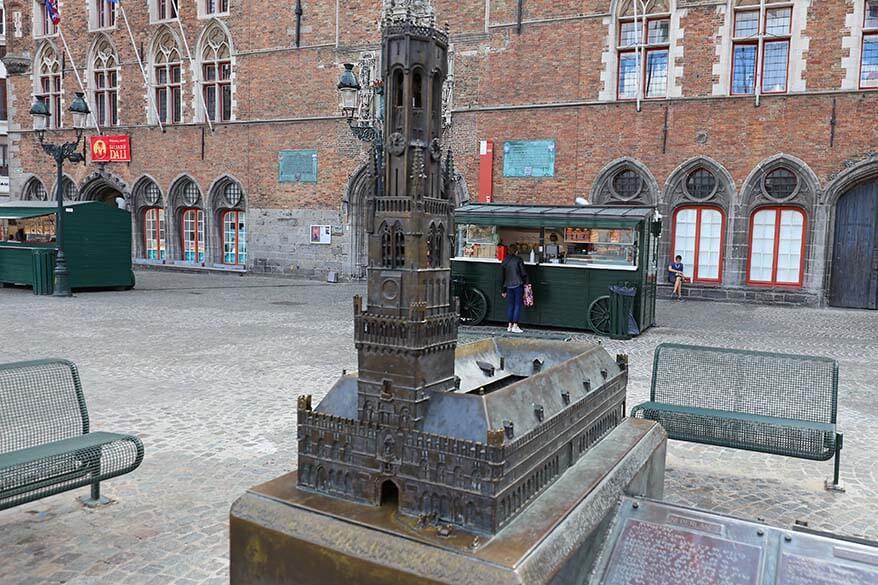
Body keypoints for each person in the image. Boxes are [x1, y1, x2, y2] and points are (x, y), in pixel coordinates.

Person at [501, 245, 529, 333]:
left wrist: (503, 290)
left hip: (508, 285)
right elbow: (523, 273)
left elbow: (502, 276)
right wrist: (526, 284)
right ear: (516, 251)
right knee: (517, 305)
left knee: (510, 305)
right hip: (518, 284)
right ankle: (515, 325)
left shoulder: (505, 260)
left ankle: (509, 326)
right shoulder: (519, 260)